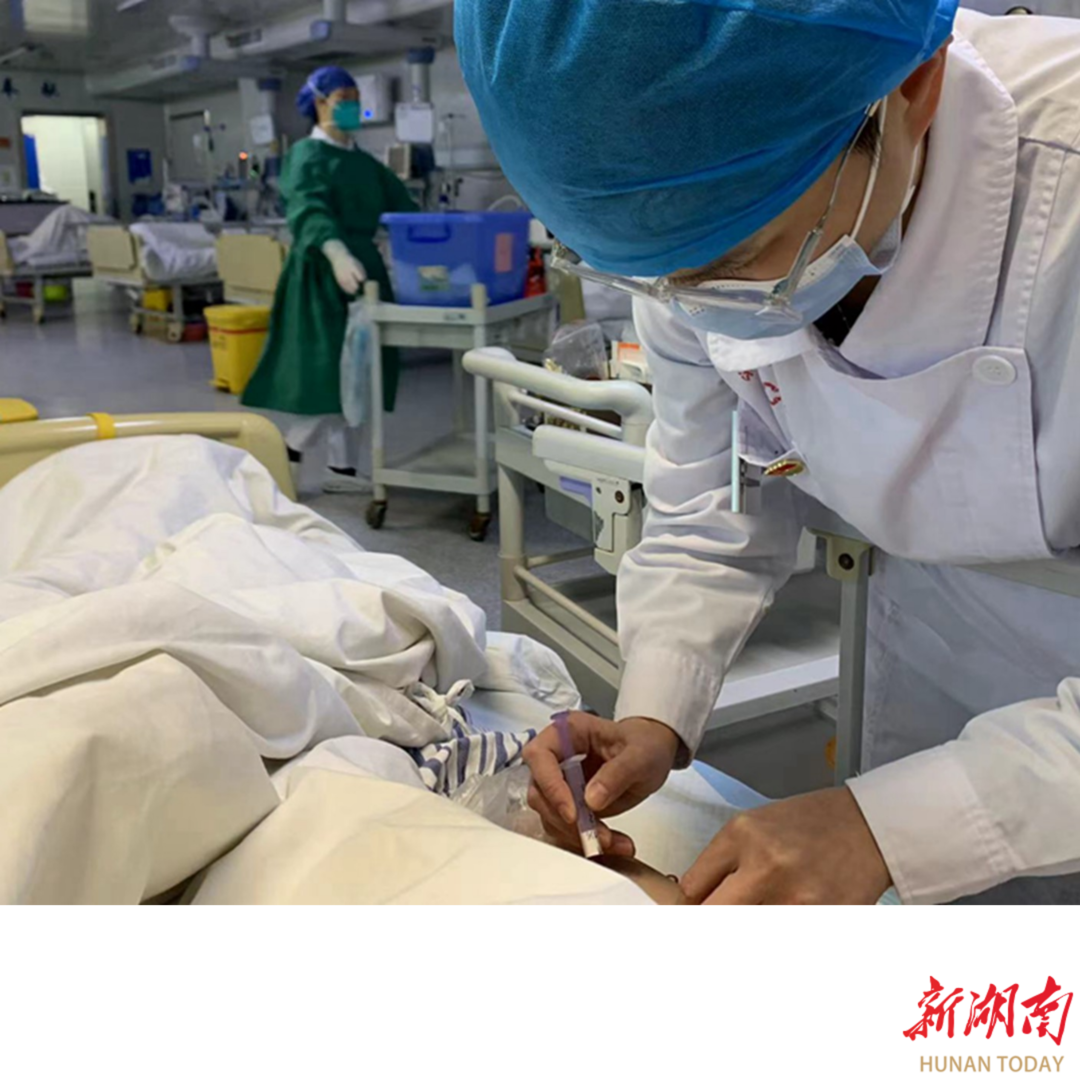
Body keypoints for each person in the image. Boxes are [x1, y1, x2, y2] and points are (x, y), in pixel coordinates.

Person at [458, 0, 1080, 906]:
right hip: (941, 651)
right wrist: (655, 711)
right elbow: (710, 500)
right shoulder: (694, 240)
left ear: (915, 89)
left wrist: (898, 828)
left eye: (752, 255)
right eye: (651, 275)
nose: (694, 304)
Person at [243, 66, 417, 493]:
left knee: (361, 376)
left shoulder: (365, 163)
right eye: (344, 99)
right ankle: (287, 453)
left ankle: (342, 471)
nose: (353, 107)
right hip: (321, 271)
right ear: (319, 103)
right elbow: (308, 209)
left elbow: (405, 207)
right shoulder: (306, 155)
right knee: (328, 376)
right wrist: (335, 251)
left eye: (357, 99)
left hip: (364, 273)